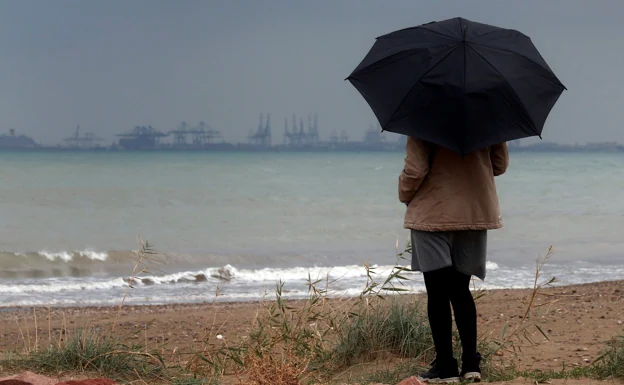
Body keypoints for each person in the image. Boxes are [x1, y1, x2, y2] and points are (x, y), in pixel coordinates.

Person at [398, 137, 509, 383]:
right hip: (474, 212)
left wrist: (404, 193)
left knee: (437, 293)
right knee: (461, 290)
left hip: (432, 213)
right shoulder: (487, 115)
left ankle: (446, 367)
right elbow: (499, 165)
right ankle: (471, 365)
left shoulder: (422, 117)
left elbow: (415, 170)